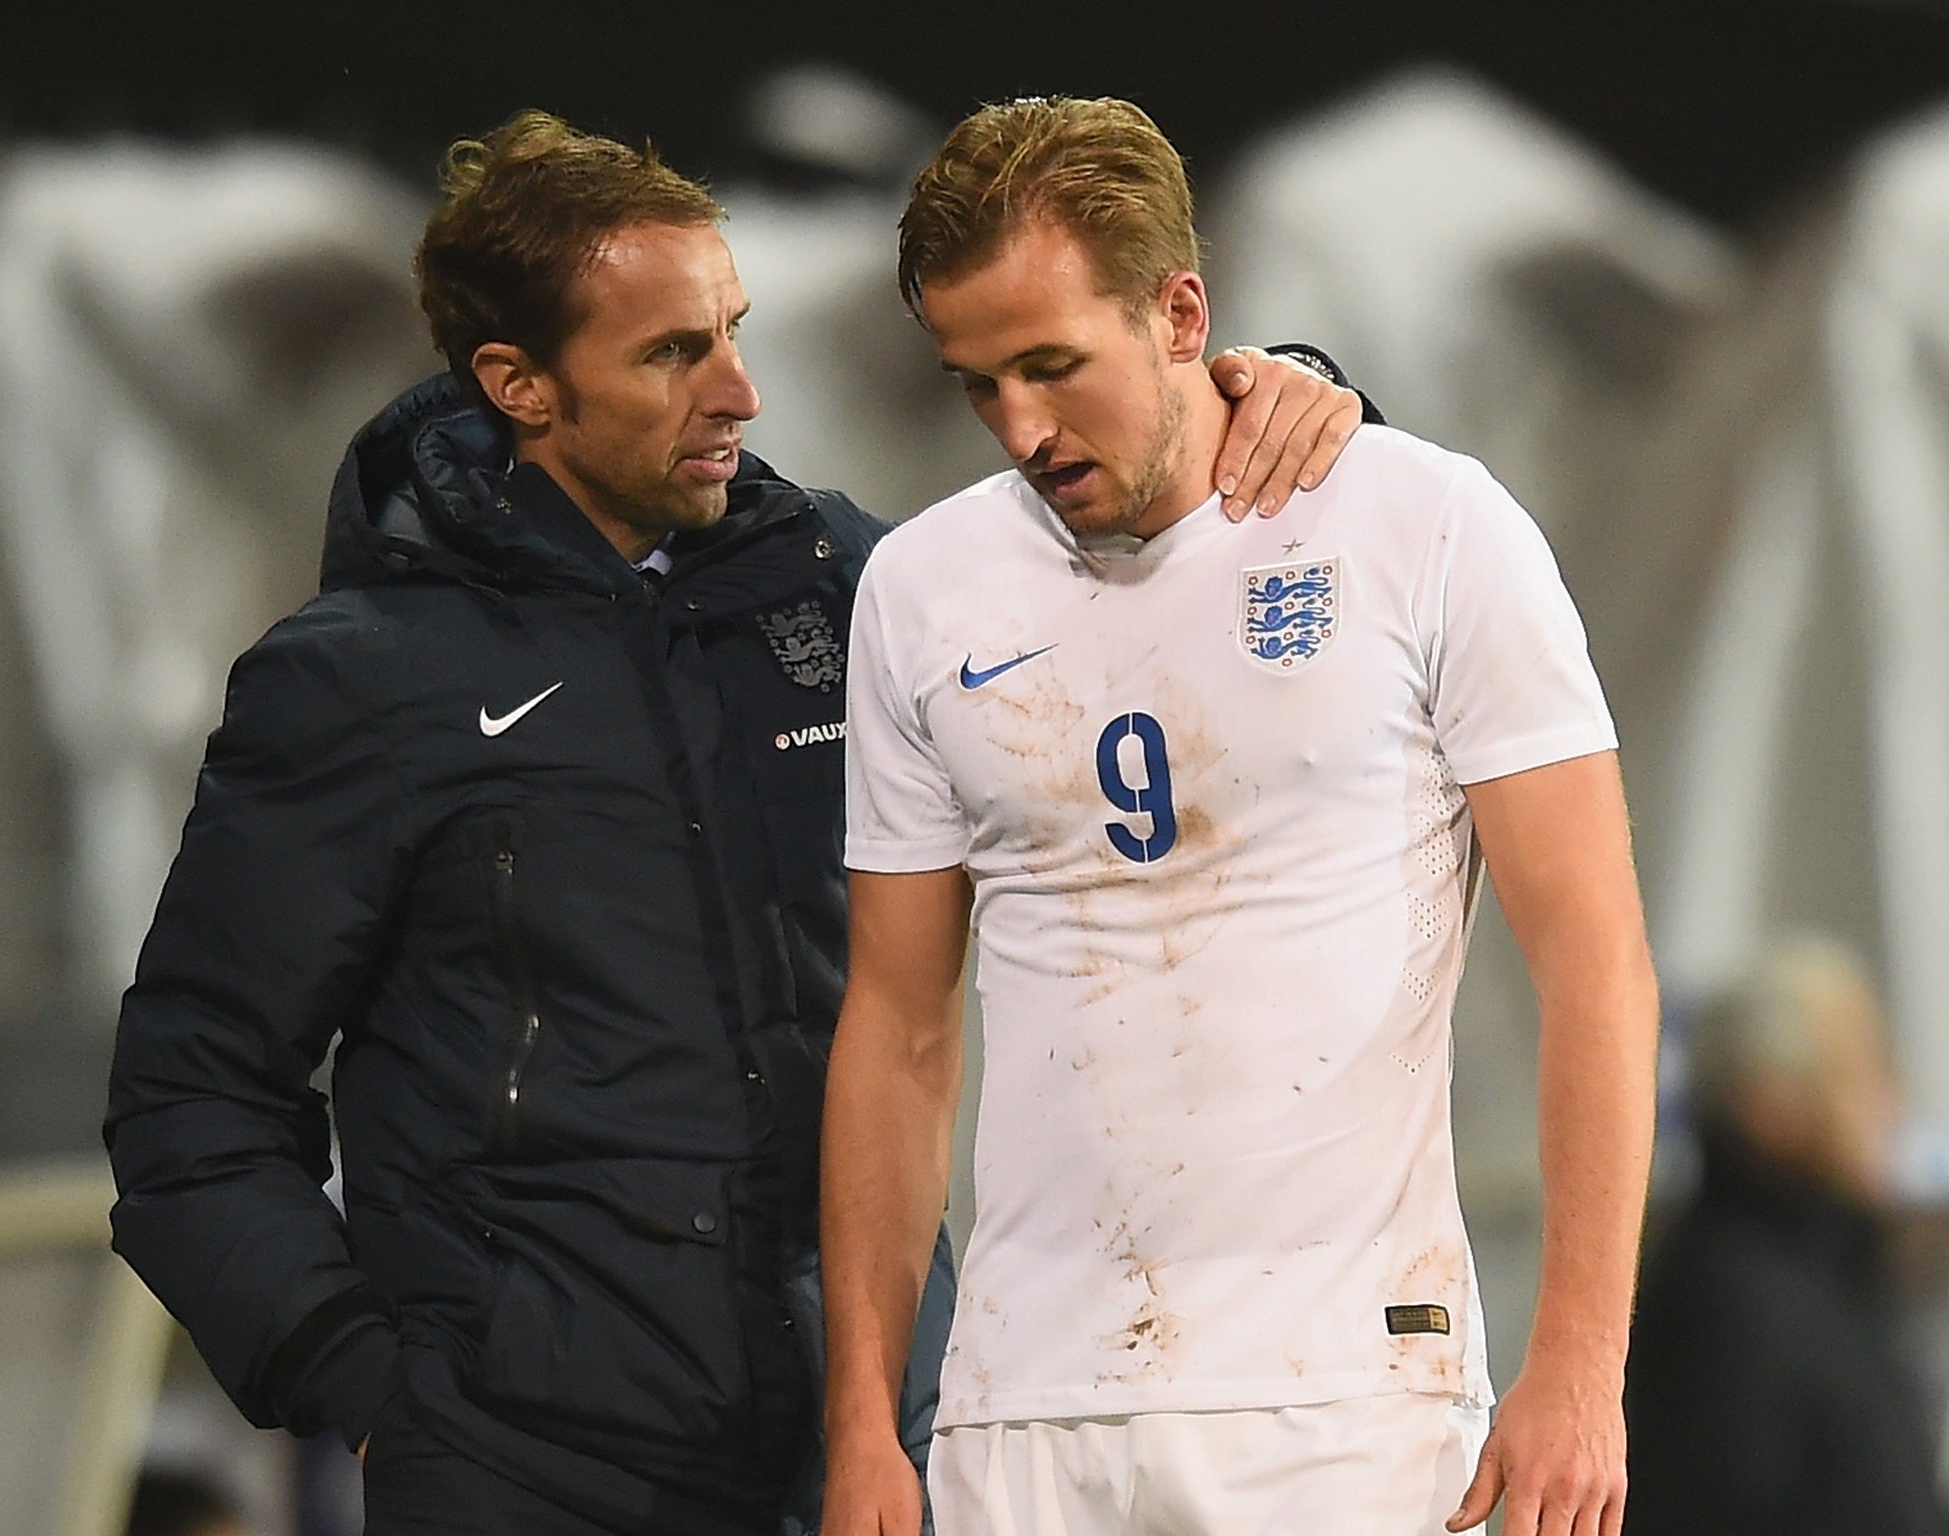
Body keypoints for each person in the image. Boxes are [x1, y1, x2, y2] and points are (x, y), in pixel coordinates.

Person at [102, 109, 1369, 1536]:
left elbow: (1152, 589)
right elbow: (188, 1102)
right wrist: (377, 1394)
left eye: (732, 330)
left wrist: (1287, 401)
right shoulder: (358, 683)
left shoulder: (850, 582)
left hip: (877, 1455)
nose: (741, 391)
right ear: (519, 383)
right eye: (671, 353)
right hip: (530, 1473)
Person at [820, 96, 1660, 1536]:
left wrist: (1581, 1369)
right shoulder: (918, 589)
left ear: (1179, 310)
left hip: (1347, 1408)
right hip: (1023, 1412)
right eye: (976, 385)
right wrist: (864, 1425)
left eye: (1052, 366)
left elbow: (1598, 963)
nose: (1021, 426)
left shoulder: (1427, 529)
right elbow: (897, 1027)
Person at [1624, 938, 1949, 1536]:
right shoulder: (1722, 1300)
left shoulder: (1835, 1271)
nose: (1888, 1103)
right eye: (1853, 1077)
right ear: (1766, 1105)